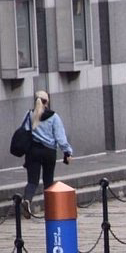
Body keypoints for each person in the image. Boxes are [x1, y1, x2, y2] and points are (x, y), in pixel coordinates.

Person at [18, 90, 72, 218]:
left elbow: (24, 131)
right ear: (47, 102)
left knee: (32, 181)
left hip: (33, 152)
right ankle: (50, 208)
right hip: (49, 152)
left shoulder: (29, 114)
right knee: (48, 181)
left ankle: (27, 200)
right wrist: (67, 151)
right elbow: (60, 137)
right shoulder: (54, 117)